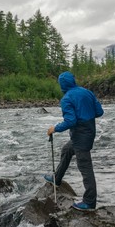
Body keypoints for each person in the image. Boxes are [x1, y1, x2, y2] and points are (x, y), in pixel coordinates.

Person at [45, 71, 104, 211]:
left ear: (62, 85)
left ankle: (89, 202)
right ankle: (56, 178)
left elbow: (70, 121)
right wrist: (85, 112)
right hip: (89, 131)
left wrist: (55, 129)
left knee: (85, 168)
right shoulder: (87, 92)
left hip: (80, 135)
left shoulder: (67, 98)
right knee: (67, 149)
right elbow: (99, 112)